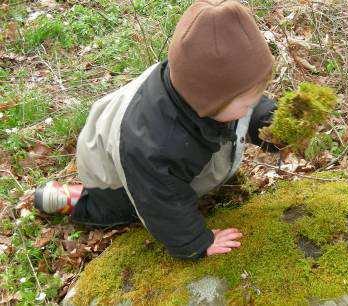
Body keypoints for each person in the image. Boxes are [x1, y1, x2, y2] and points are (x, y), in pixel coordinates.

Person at [34, 0, 278, 259]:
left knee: (175, 173)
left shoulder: (205, 88)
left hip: (163, 154)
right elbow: (162, 203)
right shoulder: (154, 145)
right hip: (115, 172)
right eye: (248, 100)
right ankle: (76, 200)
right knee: (123, 207)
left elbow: (245, 109)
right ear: (211, 100)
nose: (254, 104)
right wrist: (196, 242)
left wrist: (271, 124)